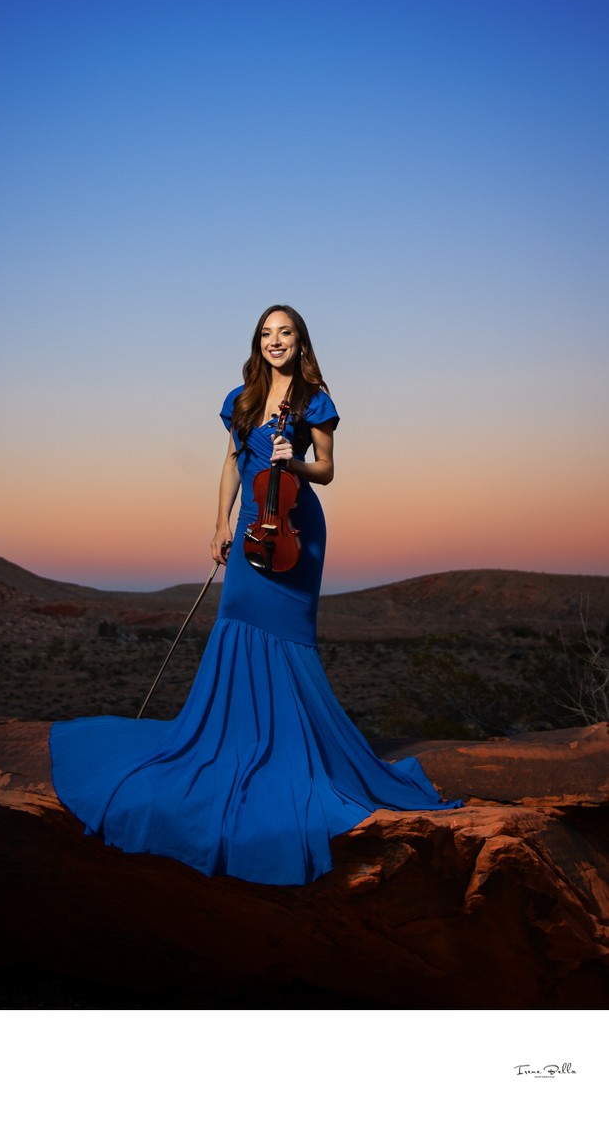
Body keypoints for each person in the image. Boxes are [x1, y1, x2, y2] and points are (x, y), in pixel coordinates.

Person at [49, 305, 462, 885]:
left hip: (294, 526)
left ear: (300, 341)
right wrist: (218, 522)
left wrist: (293, 459)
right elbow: (229, 463)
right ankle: (238, 737)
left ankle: (294, 750)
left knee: (289, 636)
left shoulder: (316, 397)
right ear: (257, 343)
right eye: (266, 334)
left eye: (284, 333)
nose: (275, 342)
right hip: (249, 524)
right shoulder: (241, 399)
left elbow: (328, 469)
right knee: (236, 618)